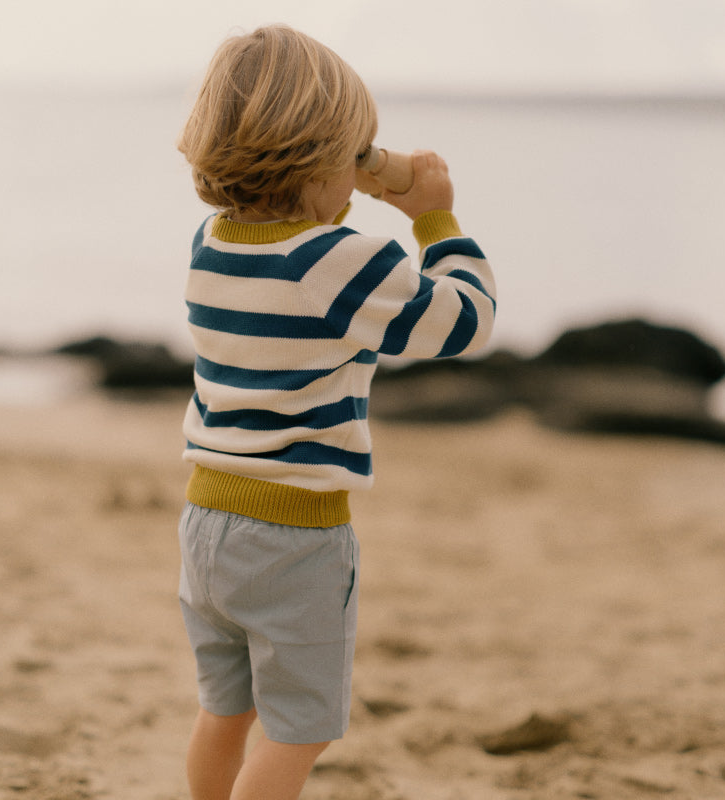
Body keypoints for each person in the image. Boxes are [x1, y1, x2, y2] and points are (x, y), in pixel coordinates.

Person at [175, 23, 496, 800]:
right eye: (353, 158)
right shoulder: (339, 258)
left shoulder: (212, 240)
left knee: (226, 711)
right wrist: (433, 219)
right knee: (300, 729)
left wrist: (363, 171)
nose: (358, 182)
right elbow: (466, 322)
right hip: (294, 535)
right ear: (319, 158)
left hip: (205, 521)